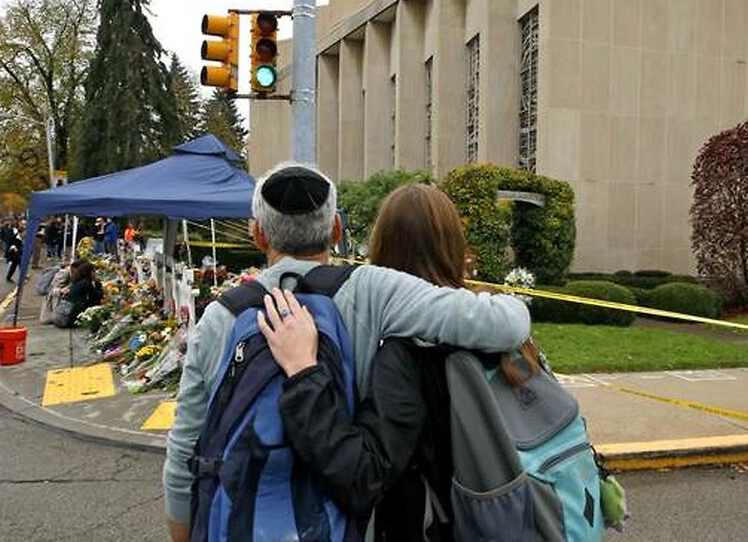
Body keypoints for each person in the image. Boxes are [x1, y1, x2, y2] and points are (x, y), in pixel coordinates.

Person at [162, 164, 531, 542]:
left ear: (258, 234)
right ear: (336, 229)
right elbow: (507, 325)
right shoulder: (373, 292)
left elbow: (184, 449)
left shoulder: (219, 318)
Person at [263, 183, 539, 540]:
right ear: (454, 245)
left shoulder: (402, 351)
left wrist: (303, 370)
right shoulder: (504, 339)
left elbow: (362, 477)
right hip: (516, 512)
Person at [56, 260, 103, 327]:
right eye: (93, 271)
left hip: (60, 316)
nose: (95, 274)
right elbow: (96, 297)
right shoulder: (86, 283)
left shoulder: (75, 281)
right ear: (89, 272)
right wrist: (98, 284)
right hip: (68, 319)